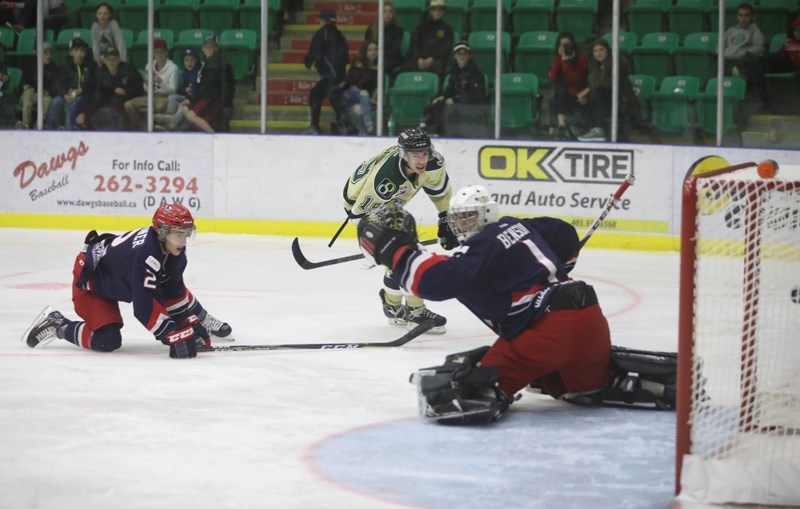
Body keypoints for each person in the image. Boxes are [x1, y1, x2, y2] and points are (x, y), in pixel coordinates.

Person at [356, 188, 677, 425]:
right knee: (577, 389)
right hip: (591, 320)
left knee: (462, 390)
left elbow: (436, 281)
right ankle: (654, 382)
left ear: (485, 215)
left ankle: (515, 375)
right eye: (458, 219)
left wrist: (393, 249)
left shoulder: (483, 249)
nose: (461, 225)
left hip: (547, 335)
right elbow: (565, 235)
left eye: (467, 218)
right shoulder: (519, 226)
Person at [23, 203, 233, 359]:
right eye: (179, 234)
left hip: (116, 280)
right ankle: (59, 325)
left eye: (187, 234)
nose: (184, 240)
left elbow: (173, 290)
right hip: (93, 284)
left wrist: (185, 322)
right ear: (162, 232)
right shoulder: (145, 256)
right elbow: (144, 307)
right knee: (107, 341)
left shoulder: (173, 250)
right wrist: (171, 333)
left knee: (170, 291)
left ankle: (202, 317)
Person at [343, 127, 456, 333]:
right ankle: (415, 312)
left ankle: (393, 307)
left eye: (424, 154)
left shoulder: (434, 163)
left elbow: (440, 192)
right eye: (415, 155)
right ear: (404, 155)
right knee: (405, 257)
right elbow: (358, 215)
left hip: (389, 204)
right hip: (361, 209)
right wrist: (384, 247)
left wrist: (445, 220)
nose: (421, 160)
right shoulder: (384, 182)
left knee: (401, 257)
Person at [576, 37, 643, 142]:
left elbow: (610, 86)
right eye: (595, 51)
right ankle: (589, 129)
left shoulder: (617, 64)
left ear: (608, 50)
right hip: (606, 102)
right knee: (580, 99)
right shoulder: (596, 68)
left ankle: (599, 129)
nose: (598, 53)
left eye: (601, 49)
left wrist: (587, 91)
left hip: (621, 103)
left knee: (598, 91)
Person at [419, 41, 486, 136]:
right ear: (455, 56)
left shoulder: (475, 72)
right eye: (459, 54)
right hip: (456, 102)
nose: (461, 57)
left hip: (470, 104)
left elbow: (475, 94)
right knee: (433, 107)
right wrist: (442, 96)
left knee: (448, 110)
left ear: (468, 56)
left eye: (464, 54)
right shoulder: (454, 71)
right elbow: (451, 88)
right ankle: (428, 131)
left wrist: (455, 99)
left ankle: (443, 134)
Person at [303, 8, 352, 135]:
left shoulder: (322, 32)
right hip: (341, 75)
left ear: (322, 20)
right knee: (335, 98)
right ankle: (346, 126)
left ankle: (315, 126)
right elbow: (346, 58)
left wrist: (308, 62)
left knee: (315, 95)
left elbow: (313, 53)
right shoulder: (340, 35)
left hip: (330, 76)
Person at [179, 34, 235, 133]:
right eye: (206, 47)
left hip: (212, 100)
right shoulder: (210, 63)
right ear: (203, 48)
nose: (208, 49)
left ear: (216, 48)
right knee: (185, 109)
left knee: (191, 115)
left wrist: (191, 99)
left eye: (211, 47)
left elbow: (207, 87)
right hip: (210, 98)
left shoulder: (214, 64)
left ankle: (213, 135)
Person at [81, 45, 143, 130]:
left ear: (119, 60)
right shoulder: (100, 72)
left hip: (126, 98)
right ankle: (89, 128)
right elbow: (96, 89)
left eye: (114, 59)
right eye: (108, 60)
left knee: (116, 101)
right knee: (94, 99)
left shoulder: (128, 69)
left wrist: (126, 91)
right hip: (106, 99)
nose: (111, 62)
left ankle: (119, 128)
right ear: (105, 61)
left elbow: (139, 86)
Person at [123, 38, 178, 130]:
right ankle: (144, 127)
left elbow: (173, 90)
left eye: (161, 52)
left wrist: (160, 81)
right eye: (156, 52)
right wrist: (146, 82)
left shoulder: (173, 67)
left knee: (159, 106)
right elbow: (146, 89)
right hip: (150, 95)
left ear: (166, 52)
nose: (159, 55)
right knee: (128, 105)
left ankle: (155, 127)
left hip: (165, 96)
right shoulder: (149, 65)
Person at [46, 37, 97, 130]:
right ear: (71, 52)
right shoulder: (66, 66)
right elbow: (59, 84)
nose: (79, 54)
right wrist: (65, 95)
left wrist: (80, 90)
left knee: (74, 103)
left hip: (84, 96)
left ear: (85, 52)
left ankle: (68, 130)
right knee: (56, 101)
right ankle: (50, 129)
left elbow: (94, 83)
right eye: (76, 50)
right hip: (68, 95)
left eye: (82, 51)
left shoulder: (92, 65)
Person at [547, 31, 589, 140]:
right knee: (555, 96)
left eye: (567, 45)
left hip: (578, 93)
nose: (564, 47)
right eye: (562, 45)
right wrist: (559, 58)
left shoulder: (582, 58)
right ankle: (559, 127)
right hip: (564, 95)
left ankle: (554, 129)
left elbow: (575, 79)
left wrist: (565, 62)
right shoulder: (559, 58)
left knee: (557, 96)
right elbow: (552, 76)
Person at [153, 47, 201, 131]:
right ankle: (169, 115)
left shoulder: (199, 72)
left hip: (195, 99)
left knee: (182, 106)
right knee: (172, 97)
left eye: (192, 60)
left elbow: (200, 91)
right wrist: (185, 89)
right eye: (186, 60)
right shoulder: (186, 72)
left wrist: (188, 97)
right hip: (187, 97)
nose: (189, 63)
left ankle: (173, 121)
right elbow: (183, 88)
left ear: (196, 61)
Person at [405, 0, 454, 80]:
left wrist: (432, 58)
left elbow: (446, 48)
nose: (438, 12)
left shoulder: (447, 29)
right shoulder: (421, 26)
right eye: (435, 9)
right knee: (408, 65)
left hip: (436, 60)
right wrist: (419, 58)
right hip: (419, 59)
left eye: (440, 10)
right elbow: (414, 42)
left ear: (444, 12)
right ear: (431, 11)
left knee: (439, 65)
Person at [17, 41, 60, 129]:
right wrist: (25, 86)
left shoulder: (54, 68)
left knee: (48, 99)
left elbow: (56, 85)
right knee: (29, 93)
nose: (48, 56)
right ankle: (26, 124)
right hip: (29, 95)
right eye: (45, 53)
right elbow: (21, 83)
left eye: (50, 53)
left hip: (44, 96)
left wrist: (48, 92)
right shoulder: (30, 66)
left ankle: (38, 126)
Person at [722, 2, 765, 83]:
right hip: (727, 59)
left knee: (739, 69)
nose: (743, 18)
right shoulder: (731, 30)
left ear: (752, 16)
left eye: (747, 15)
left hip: (743, 60)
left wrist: (743, 52)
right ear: (737, 17)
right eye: (741, 15)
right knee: (715, 69)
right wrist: (723, 53)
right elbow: (720, 44)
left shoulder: (756, 31)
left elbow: (759, 48)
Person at [343, 40, 378, 135]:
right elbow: (351, 83)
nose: (373, 52)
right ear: (365, 52)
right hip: (350, 95)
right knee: (363, 93)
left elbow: (375, 88)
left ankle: (363, 134)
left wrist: (372, 99)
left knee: (358, 109)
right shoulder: (358, 65)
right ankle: (369, 124)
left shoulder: (378, 69)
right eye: (370, 50)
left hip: (363, 100)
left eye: (375, 49)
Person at [364, 1, 405, 81]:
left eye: (390, 12)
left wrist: (379, 60)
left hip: (390, 60)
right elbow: (366, 47)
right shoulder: (371, 29)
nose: (387, 14)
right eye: (384, 11)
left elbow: (395, 50)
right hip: (374, 58)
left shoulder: (398, 30)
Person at [91, 1, 127, 66]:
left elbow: (120, 45)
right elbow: (95, 47)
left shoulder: (114, 25)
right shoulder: (94, 27)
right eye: (99, 13)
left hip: (114, 55)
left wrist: (122, 64)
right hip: (103, 56)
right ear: (96, 15)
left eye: (105, 13)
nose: (102, 16)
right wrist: (97, 64)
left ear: (110, 15)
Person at [1, 0, 67, 33]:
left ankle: (22, 26)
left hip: (56, 13)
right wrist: (12, 5)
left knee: (43, 21)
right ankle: (21, 26)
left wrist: (40, 19)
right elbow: (27, 5)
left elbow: (45, 10)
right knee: (16, 11)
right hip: (42, 13)